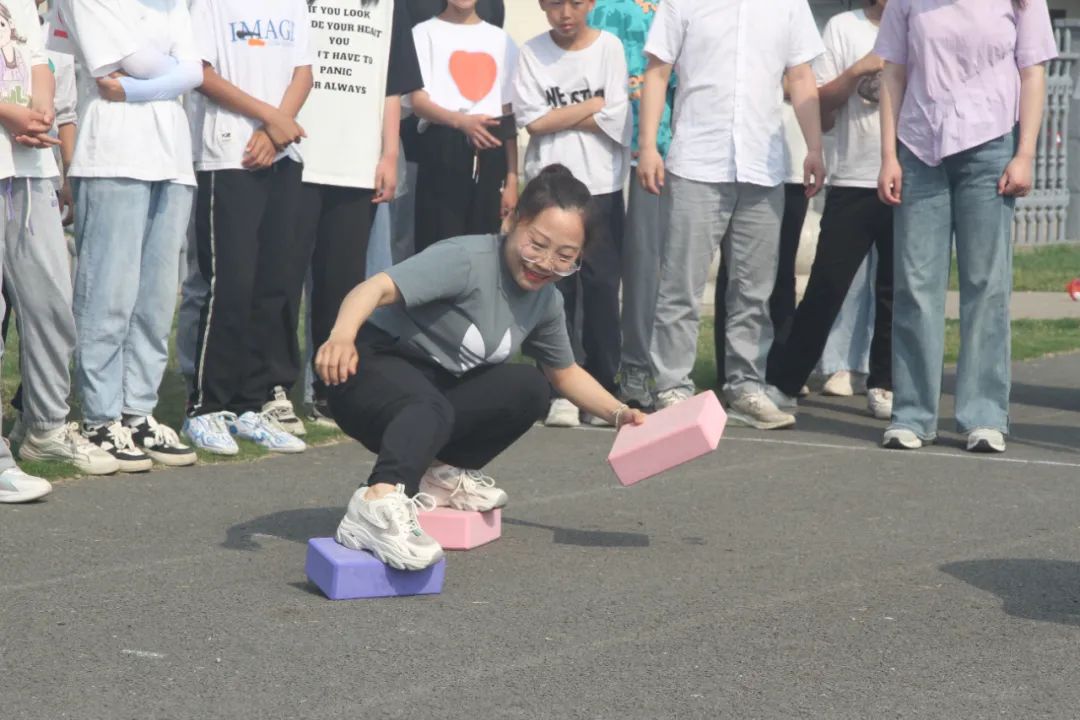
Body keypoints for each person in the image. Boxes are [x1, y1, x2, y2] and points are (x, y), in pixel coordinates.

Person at [314, 165, 646, 570]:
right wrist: (341, 337)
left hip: (429, 396)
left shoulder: (546, 301)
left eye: (564, 256)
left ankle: (438, 476)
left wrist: (619, 413)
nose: (545, 263)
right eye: (537, 244)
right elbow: (374, 288)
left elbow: (564, 373)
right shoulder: (466, 259)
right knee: (429, 405)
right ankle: (376, 505)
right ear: (513, 220)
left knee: (530, 388)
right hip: (365, 372)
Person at [875, 0, 1056, 452]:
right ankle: (912, 414)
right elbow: (893, 73)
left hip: (990, 147)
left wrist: (1025, 154)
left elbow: (1033, 72)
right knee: (915, 285)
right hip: (920, 147)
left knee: (986, 284)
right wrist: (888, 156)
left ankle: (984, 415)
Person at [637, 0, 824, 429]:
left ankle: (745, 386)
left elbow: (801, 76)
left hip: (763, 162)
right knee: (681, 285)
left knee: (754, 288)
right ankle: (671, 386)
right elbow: (658, 71)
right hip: (697, 160)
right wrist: (648, 145)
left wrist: (814, 146)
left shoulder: (789, 6)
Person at [55, 0, 204, 471]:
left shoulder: (175, 5)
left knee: (156, 301)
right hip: (113, 153)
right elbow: (132, 65)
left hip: (172, 158)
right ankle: (100, 417)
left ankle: (137, 411)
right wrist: (172, 72)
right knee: (108, 295)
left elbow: (195, 72)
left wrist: (140, 88)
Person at [180, 0, 315, 456]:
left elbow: (303, 73)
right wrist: (270, 118)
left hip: (283, 153)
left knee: (273, 284)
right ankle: (206, 406)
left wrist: (276, 130)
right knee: (231, 284)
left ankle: (250, 404)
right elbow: (201, 73)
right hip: (228, 155)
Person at [0, 0, 117, 503]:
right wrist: (10, 113)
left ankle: (46, 427)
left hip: (29, 167)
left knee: (52, 301)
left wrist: (40, 113)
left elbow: (40, 61)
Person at [766, 0, 896, 422]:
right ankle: (785, 381)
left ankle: (884, 382)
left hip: (909, 177)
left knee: (896, 290)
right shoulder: (843, 27)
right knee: (827, 284)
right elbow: (822, 111)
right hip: (853, 178)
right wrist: (857, 70)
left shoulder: (921, 22)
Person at [296, 0, 422, 426]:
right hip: (296, 154)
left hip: (355, 164)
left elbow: (391, 86)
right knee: (281, 281)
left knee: (340, 282)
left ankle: (329, 390)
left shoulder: (388, 5)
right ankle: (269, 389)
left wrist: (389, 155)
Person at [513, 0, 631, 428]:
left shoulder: (609, 48)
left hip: (601, 185)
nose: (565, 13)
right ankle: (559, 388)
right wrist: (592, 105)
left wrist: (560, 116)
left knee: (601, 289)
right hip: (550, 189)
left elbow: (618, 117)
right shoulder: (531, 52)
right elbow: (534, 123)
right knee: (554, 289)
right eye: (555, 4)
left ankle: (601, 386)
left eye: (575, 3)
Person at [589, 0, 676, 412]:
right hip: (597, 150)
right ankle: (589, 368)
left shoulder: (679, 8)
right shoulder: (597, 7)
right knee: (595, 269)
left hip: (660, 150)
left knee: (646, 266)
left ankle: (639, 367)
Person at [713, 94, 811, 396]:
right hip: (744, 165)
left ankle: (775, 372)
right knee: (736, 271)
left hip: (792, 164)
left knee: (781, 273)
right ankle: (729, 371)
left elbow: (807, 87)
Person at [408, 0, 518, 252]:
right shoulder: (424, 33)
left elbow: (508, 113)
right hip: (442, 148)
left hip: (491, 148)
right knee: (438, 244)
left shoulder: (501, 40)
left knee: (484, 247)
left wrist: (512, 178)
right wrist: (461, 121)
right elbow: (418, 101)